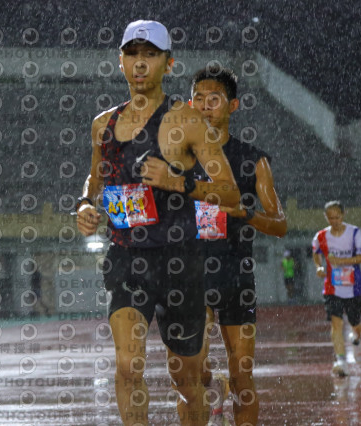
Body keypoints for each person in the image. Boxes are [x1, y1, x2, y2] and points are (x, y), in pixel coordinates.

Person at [75, 20, 240, 426]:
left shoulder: (188, 121)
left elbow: (230, 193)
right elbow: (95, 178)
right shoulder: (103, 125)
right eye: (132, 54)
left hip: (180, 262)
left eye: (150, 55)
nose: (140, 63)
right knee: (127, 366)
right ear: (120, 61)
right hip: (127, 258)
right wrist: (85, 204)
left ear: (169, 63)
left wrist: (178, 181)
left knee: (186, 381)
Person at [183, 66, 287, 425]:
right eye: (198, 99)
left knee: (242, 377)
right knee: (192, 371)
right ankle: (213, 387)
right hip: (190, 274)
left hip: (235, 275)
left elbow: (280, 225)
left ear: (233, 105)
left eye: (214, 99)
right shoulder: (177, 159)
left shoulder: (252, 160)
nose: (205, 106)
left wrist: (246, 213)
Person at [312, 201, 361, 376]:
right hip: (332, 287)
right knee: (336, 323)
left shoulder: (354, 233)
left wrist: (342, 261)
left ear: (343, 215)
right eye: (330, 218)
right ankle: (341, 361)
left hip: (354, 286)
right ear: (325, 217)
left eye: (337, 217)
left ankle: (356, 340)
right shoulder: (321, 236)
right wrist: (319, 267)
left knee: (355, 323)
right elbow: (316, 253)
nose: (334, 221)